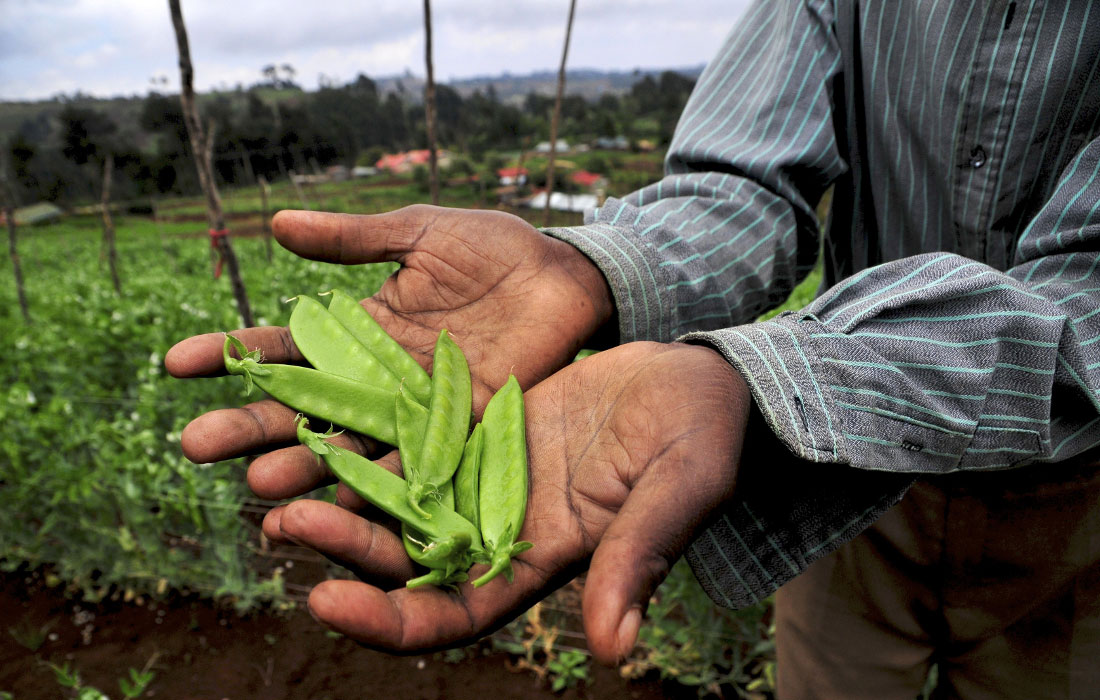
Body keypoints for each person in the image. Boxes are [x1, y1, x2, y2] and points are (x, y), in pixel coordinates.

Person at [166, 1, 1100, 697]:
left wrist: (754, 380)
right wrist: (589, 270)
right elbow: (740, 184)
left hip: (1072, 504)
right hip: (839, 476)